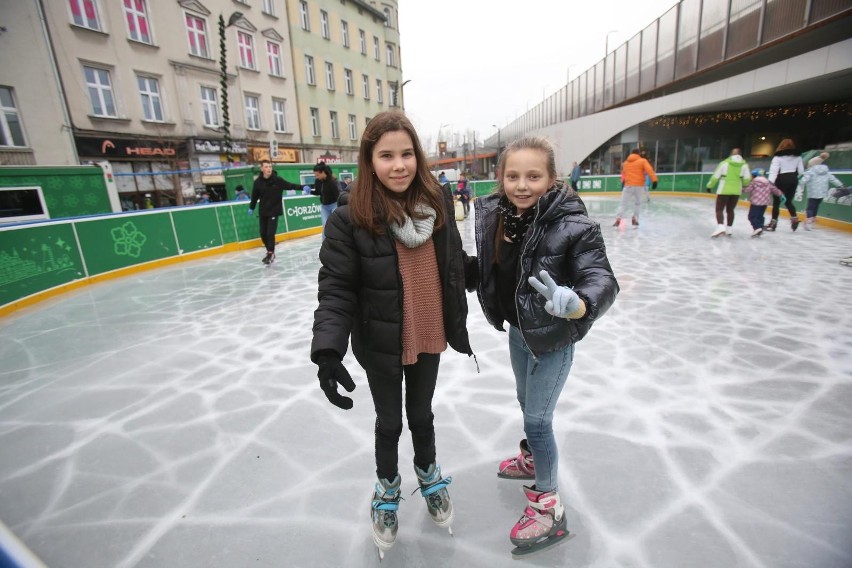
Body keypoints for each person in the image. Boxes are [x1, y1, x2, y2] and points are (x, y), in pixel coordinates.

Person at [310, 110, 475, 558]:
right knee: (390, 422)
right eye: (387, 155)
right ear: (370, 160)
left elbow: (456, 265)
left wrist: (503, 279)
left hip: (430, 334)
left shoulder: (438, 203)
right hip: (382, 342)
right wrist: (327, 350)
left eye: (406, 154)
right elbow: (337, 289)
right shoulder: (350, 218)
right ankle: (387, 490)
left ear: (418, 157)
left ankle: (428, 474)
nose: (399, 165)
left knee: (422, 415)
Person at [473, 136, 619, 557]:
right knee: (525, 403)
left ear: (551, 178)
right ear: (501, 179)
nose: (522, 185)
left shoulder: (574, 225)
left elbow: (600, 278)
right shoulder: (498, 218)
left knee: (538, 420)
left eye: (533, 176)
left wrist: (580, 304)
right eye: (513, 176)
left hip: (553, 338)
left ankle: (550, 507)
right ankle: (535, 460)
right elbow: (491, 270)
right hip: (520, 333)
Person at [249, 160, 301, 265]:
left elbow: (290, 185)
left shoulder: (277, 180)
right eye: (266, 167)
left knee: (270, 233)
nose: (269, 169)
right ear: (262, 169)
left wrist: (303, 187)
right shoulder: (258, 182)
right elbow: (254, 197)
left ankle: (270, 252)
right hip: (263, 211)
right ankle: (269, 251)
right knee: (263, 233)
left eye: (270, 167)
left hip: (274, 211)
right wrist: (251, 207)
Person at [706, 148, 751, 238]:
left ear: (731, 154)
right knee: (730, 210)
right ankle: (729, 229)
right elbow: (747, 179)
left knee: (719, 209)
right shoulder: (744, 165)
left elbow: (715, 176)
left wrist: (709, 186)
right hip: (736, 190)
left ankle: (720, 226)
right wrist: (743, 185)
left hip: (724, 189)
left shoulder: (724, 163)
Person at [795, 152, 843, 231]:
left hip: (813, 193)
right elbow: (833, 179)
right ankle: (813, 220)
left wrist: (798, 183)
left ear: (812, 164)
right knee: (816, 206)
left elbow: (804, 180)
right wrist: (840, 185)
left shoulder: (811, 171)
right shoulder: (826, 171)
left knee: (810, 208)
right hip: (822, 193)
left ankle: (809, 221)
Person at [767, 138, 804, 231]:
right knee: (788, 201)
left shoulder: (777, 157)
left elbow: (773, 172)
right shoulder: (798, 157)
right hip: (793, 179)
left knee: (776, 203)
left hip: (781, 179)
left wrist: (770, 184)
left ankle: (773, 223)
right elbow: (801, 171)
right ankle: (794, 218)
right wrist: (794, 176)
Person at [614, 148, 657, 227]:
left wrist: (623, 182)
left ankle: (618, 219)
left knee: (623, 204)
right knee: (638, 203)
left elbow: (624, 174)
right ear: (638, 154)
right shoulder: (642, 161)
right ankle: (635, 219)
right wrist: (654, 180)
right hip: (639, 186)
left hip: (628, 185)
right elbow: (649, 170)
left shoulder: (625, 163)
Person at [742, 168, 785, 237]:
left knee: (752, 216)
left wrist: (741, 189)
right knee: (760, 216)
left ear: (755, 175)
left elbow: (747, 189)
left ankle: (757, 228)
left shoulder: (753, 182)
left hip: (756, 203)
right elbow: (774, 189)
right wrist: (781, 195)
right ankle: (760, 227)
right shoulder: (768, 182)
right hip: (765, 203)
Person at [311, 161, 340, 239]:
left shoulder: (332, 182)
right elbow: (317, 192)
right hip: (324, 207)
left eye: (317, 175)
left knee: (335, 224)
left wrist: (340, 207)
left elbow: (337, 195)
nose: (316, 177)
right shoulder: (317, 181)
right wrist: (309, 191)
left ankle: (338, 241)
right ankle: (325, 244)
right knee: (325, 226)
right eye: (315, 175)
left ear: (323, 172)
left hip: (334, 205)